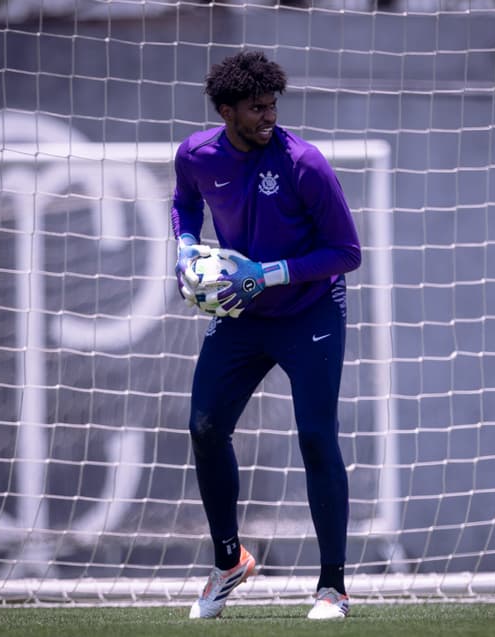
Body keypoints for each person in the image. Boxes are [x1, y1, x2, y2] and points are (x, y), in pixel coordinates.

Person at [170, 50, 361, 620]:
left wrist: (267, 273)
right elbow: (184, 202)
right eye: (256, 108)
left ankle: (332, 588)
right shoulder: (196, 155)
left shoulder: (305, 164)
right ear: (226, 111)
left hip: (310, 312)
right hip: (243, 314)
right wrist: (185, 246)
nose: (269, 116)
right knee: (205, 427)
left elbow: (346, 252)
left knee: (316, 438)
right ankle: (229, 561)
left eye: (273, 105)